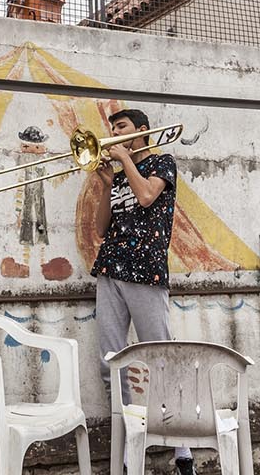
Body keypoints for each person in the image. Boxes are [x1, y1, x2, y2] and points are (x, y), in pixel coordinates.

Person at [89, 108, 193, 475]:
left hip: (145, 271)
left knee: (160, 357)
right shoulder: (119, 178)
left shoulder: (162, 163)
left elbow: (148, 197)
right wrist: (106, 184)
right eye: (112, 128)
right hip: (110, 270)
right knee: (111, 361)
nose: (113, 133)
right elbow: (101, 229)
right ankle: (128, 452)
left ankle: (183, 451)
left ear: (142, 131)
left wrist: (124, 163)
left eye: (121, 127)